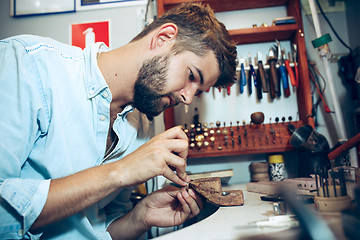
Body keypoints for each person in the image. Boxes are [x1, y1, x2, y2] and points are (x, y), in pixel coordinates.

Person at [0, 2, 237, 239]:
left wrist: (140, 217)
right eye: (191, 76)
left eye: (197, 91)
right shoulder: (27, 64)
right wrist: (121, 171)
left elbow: (97, 231)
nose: (187, 97)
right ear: (163, 37)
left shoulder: (143, 125)